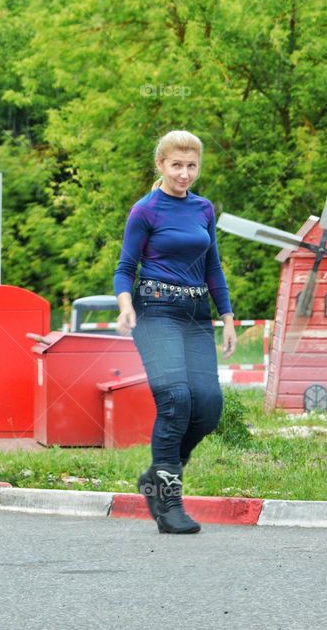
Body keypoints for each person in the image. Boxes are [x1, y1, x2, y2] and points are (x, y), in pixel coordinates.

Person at [113, 130, 237, 534]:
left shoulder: (203, 209)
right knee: (175, 400)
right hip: (155, 311)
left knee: (208, 406)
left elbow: (213, 266)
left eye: (191, 166)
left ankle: (157, 474)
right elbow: (125, 267)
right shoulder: (145, 210)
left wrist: (228, 317)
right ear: (161, 166)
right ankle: (168, 501)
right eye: (176, 165)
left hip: (197, 315)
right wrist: (125, 304)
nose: (184, 174)